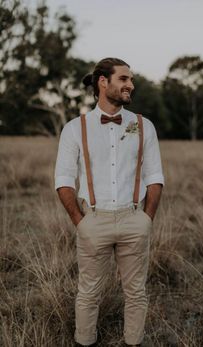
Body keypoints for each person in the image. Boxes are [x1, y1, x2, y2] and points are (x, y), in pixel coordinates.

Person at [55, 57, 164, 347]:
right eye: (124, 79)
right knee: (88, 293)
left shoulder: (144, 126)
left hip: (133, 219)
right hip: (94, 220)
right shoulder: (74, 128)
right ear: (103, 82)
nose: (131, 84)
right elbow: (63, 181)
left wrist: (146, 218)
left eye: (131, 80)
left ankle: (133, 343)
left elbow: (155, 176)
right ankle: (85, 341)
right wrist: (81, 222)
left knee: (137, 293)